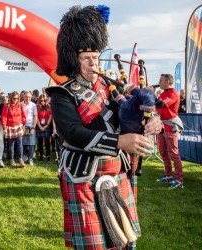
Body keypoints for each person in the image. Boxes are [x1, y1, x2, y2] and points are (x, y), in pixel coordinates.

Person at [46, 6, 163, 249]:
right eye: (86, 58)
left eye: (96, 57)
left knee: (124, 240)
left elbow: (132, 118)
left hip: (117, 170)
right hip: (83, 175)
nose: (93, 63)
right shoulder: (62, 94)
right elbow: (73, 133)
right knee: (94, 245)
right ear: (73, 60)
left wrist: (153, 122)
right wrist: (120, 142)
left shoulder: (114, 89)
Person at [156, 74, 184, 189]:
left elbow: (161, 104)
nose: (159, 82)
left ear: (168, 82)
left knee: (173, 154)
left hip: (170, 126)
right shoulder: (163, 93)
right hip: (161, 126)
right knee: (163, 152)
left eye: (161, 80)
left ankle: (179, 179)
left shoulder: (173, 93)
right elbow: (156, 108)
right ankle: (168, 175)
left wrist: (148, 94)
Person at [1, 91, 26, 167]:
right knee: (11, 145)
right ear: (11, 98)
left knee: (19, 144)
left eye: (17, 98)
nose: (15, 99)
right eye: (14, 98)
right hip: (10, 127)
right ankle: (11, 160)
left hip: (18, 126)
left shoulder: (20, 105)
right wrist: (4, 127)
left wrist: (23, 124)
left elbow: (23, 115)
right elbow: (4, 117)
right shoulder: (7, 106)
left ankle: (20, 159)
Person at [21, 91, 38, 166]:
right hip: (22, 126)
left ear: (31, 97)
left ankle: (30, 158)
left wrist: (33, 127)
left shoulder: (33, 105)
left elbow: (35, 116)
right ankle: (25, 157)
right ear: (23, 97)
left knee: (31, 143)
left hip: (31, 125)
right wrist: (22, 126)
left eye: (29, 97)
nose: (28, 98)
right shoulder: (20, 104)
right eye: (26, 97)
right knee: (23, 142)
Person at [36, 94, 52, 162]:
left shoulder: (49, 106)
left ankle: (48, 156)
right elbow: (36, 117)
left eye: (44, 100)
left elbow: (51, 116)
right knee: (39, 142)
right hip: (39, 125)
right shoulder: (37, 107)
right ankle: (41, 156)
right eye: (41, 100)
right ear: (39, 100)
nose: (42, 102)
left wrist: (47, 125)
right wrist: (39, 126)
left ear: (46, 100)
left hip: (46, 125)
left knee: (47, 141)